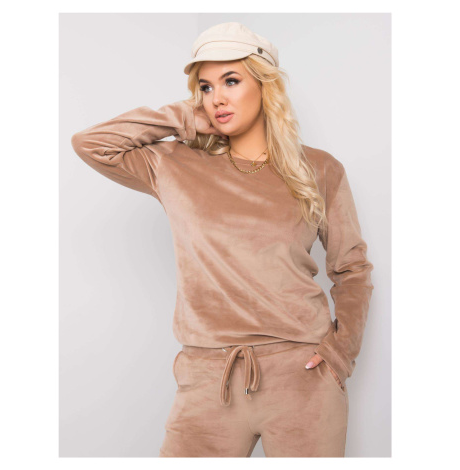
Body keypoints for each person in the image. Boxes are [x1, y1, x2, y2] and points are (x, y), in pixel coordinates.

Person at [71, 22, 374, 458]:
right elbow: (91, 144)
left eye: (231, 80)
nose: (217, 98)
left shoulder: (320, 169)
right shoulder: (174, 165)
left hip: (302, 376)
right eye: (206, 87)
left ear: (265, 85)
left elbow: (351, 268)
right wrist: (184, 117)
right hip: (207, 378)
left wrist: (341, 352)